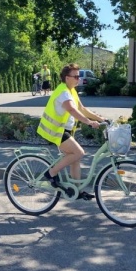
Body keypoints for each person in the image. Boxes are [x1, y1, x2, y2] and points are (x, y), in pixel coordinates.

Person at [37, 63, 105, 198]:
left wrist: (100, 118)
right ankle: (51, 173)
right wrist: (89, 122)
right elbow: (72, 110)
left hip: (64, 130)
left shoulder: (71, 91)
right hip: (56, 130)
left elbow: (82, 109)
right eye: (76, 76)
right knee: (79, 152)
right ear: (67, 78)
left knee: (75, 159)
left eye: (79, 76)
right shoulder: (63, 92)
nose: (78, 79)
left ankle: (77, 191)